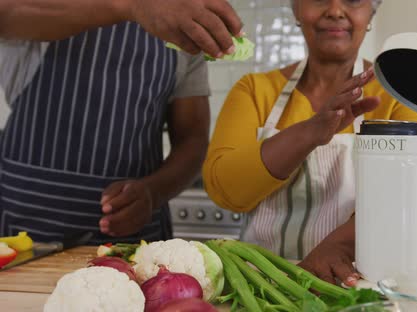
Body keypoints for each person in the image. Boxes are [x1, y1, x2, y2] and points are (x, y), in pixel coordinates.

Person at [202, 0, 417, 285]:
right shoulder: (254, 90)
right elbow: (226, 190)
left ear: (371, 13)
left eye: (352, 0)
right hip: (263, 287)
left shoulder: (401, 95)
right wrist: (310, 132)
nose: (335, 10)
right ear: (296, 10)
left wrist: (339, 247)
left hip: (364, 286)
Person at [0, 0, 243, 244]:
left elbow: (193, 139)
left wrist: (152, 192)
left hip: (131, 237)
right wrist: (135, 6)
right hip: (26, 228)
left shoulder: (178, 28)